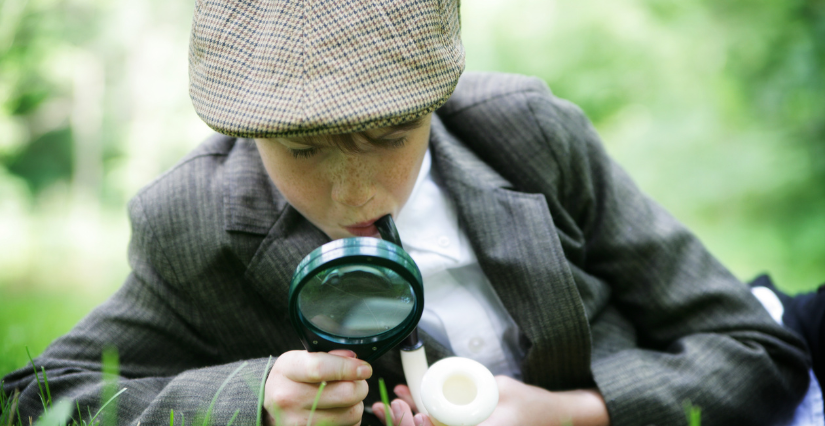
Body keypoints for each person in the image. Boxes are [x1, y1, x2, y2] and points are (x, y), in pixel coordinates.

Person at [1, 0, 812, 425]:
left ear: (435, 100)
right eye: (303, 150)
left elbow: (758, 351)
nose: (355, 194)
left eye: (390, 136)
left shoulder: (527, 133)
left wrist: (573, 416)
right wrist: (257, 401)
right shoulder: (192, 223)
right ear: (247, 132)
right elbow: (34, 396)